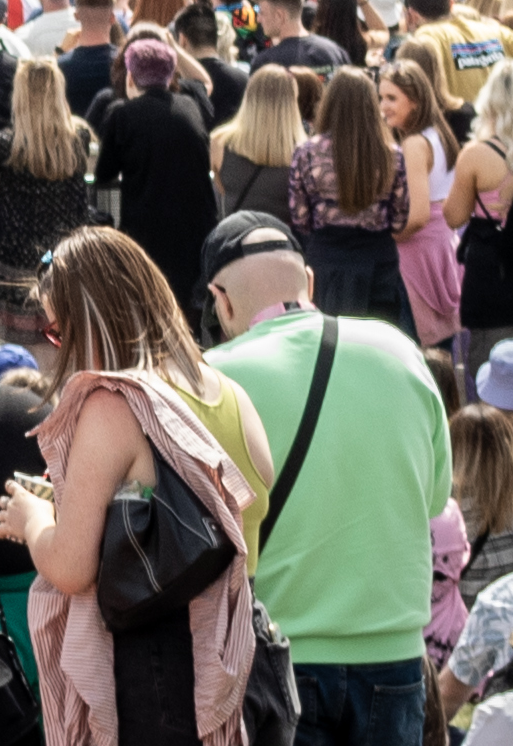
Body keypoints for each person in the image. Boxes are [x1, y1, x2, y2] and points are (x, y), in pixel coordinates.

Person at [195, 211, 454, 746]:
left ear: (221, 300)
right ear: (309, 282)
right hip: (395, 649)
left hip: (277, 653)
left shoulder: (214, 379)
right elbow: (435, 499)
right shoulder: (399, 351)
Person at [13, 227, 263, 746]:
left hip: (161, 672)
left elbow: (72, 567)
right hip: (241, 654)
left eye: (58, 332)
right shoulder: (229, 391)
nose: (55, 345)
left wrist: (32, 521)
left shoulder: (113, 405)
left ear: (90, 322)